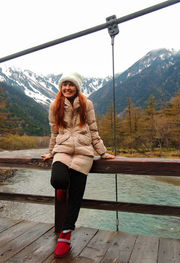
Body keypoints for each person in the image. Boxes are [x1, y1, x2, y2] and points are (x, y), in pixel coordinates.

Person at [41, 72, 115, 258]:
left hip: (83, 152)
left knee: (76, 195)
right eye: (64, 84)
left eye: (71, 85)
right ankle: (61, 187)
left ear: (77, 87)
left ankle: (66, 234)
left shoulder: (87, 104)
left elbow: (93, 129)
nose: (67, 88)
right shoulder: (54, 105)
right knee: (58, 179)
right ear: (61, 87)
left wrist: (102, 152)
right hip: (63, 149)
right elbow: (54, 131)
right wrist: (51, 152)